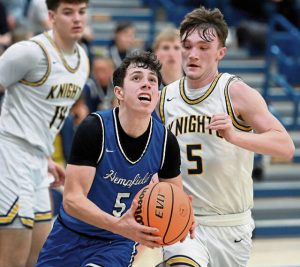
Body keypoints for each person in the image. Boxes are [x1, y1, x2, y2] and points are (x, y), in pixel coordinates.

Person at [159, 6, 295, 267]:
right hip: (185, 221)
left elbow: (285, 146)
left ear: (221, 52)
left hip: (231, 224)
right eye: (187, 46)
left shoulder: (236, 92)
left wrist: (235, 136)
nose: (193, 54)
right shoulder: (165, 99)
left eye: (203, 47)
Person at [35, 51, 193, 267]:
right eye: (136, 78)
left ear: (157, 94)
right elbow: (72, 200)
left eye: (152, 80)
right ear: (119, 92)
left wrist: (183, 217)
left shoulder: (166, 142)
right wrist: (118, 224)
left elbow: (175, 197)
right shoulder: (94, 129)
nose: (146, 84)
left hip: (116, 243)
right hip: (71, 234)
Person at [0, 0, 90, 266]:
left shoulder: (82, 59)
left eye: (82, 12)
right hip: (10, 154)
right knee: (13, 255)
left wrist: (45, 157)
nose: (77, 19)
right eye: (68, 12)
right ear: (51, 16)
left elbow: (40, 114)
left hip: (39, 159)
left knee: (39, 255)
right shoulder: (30, 52)